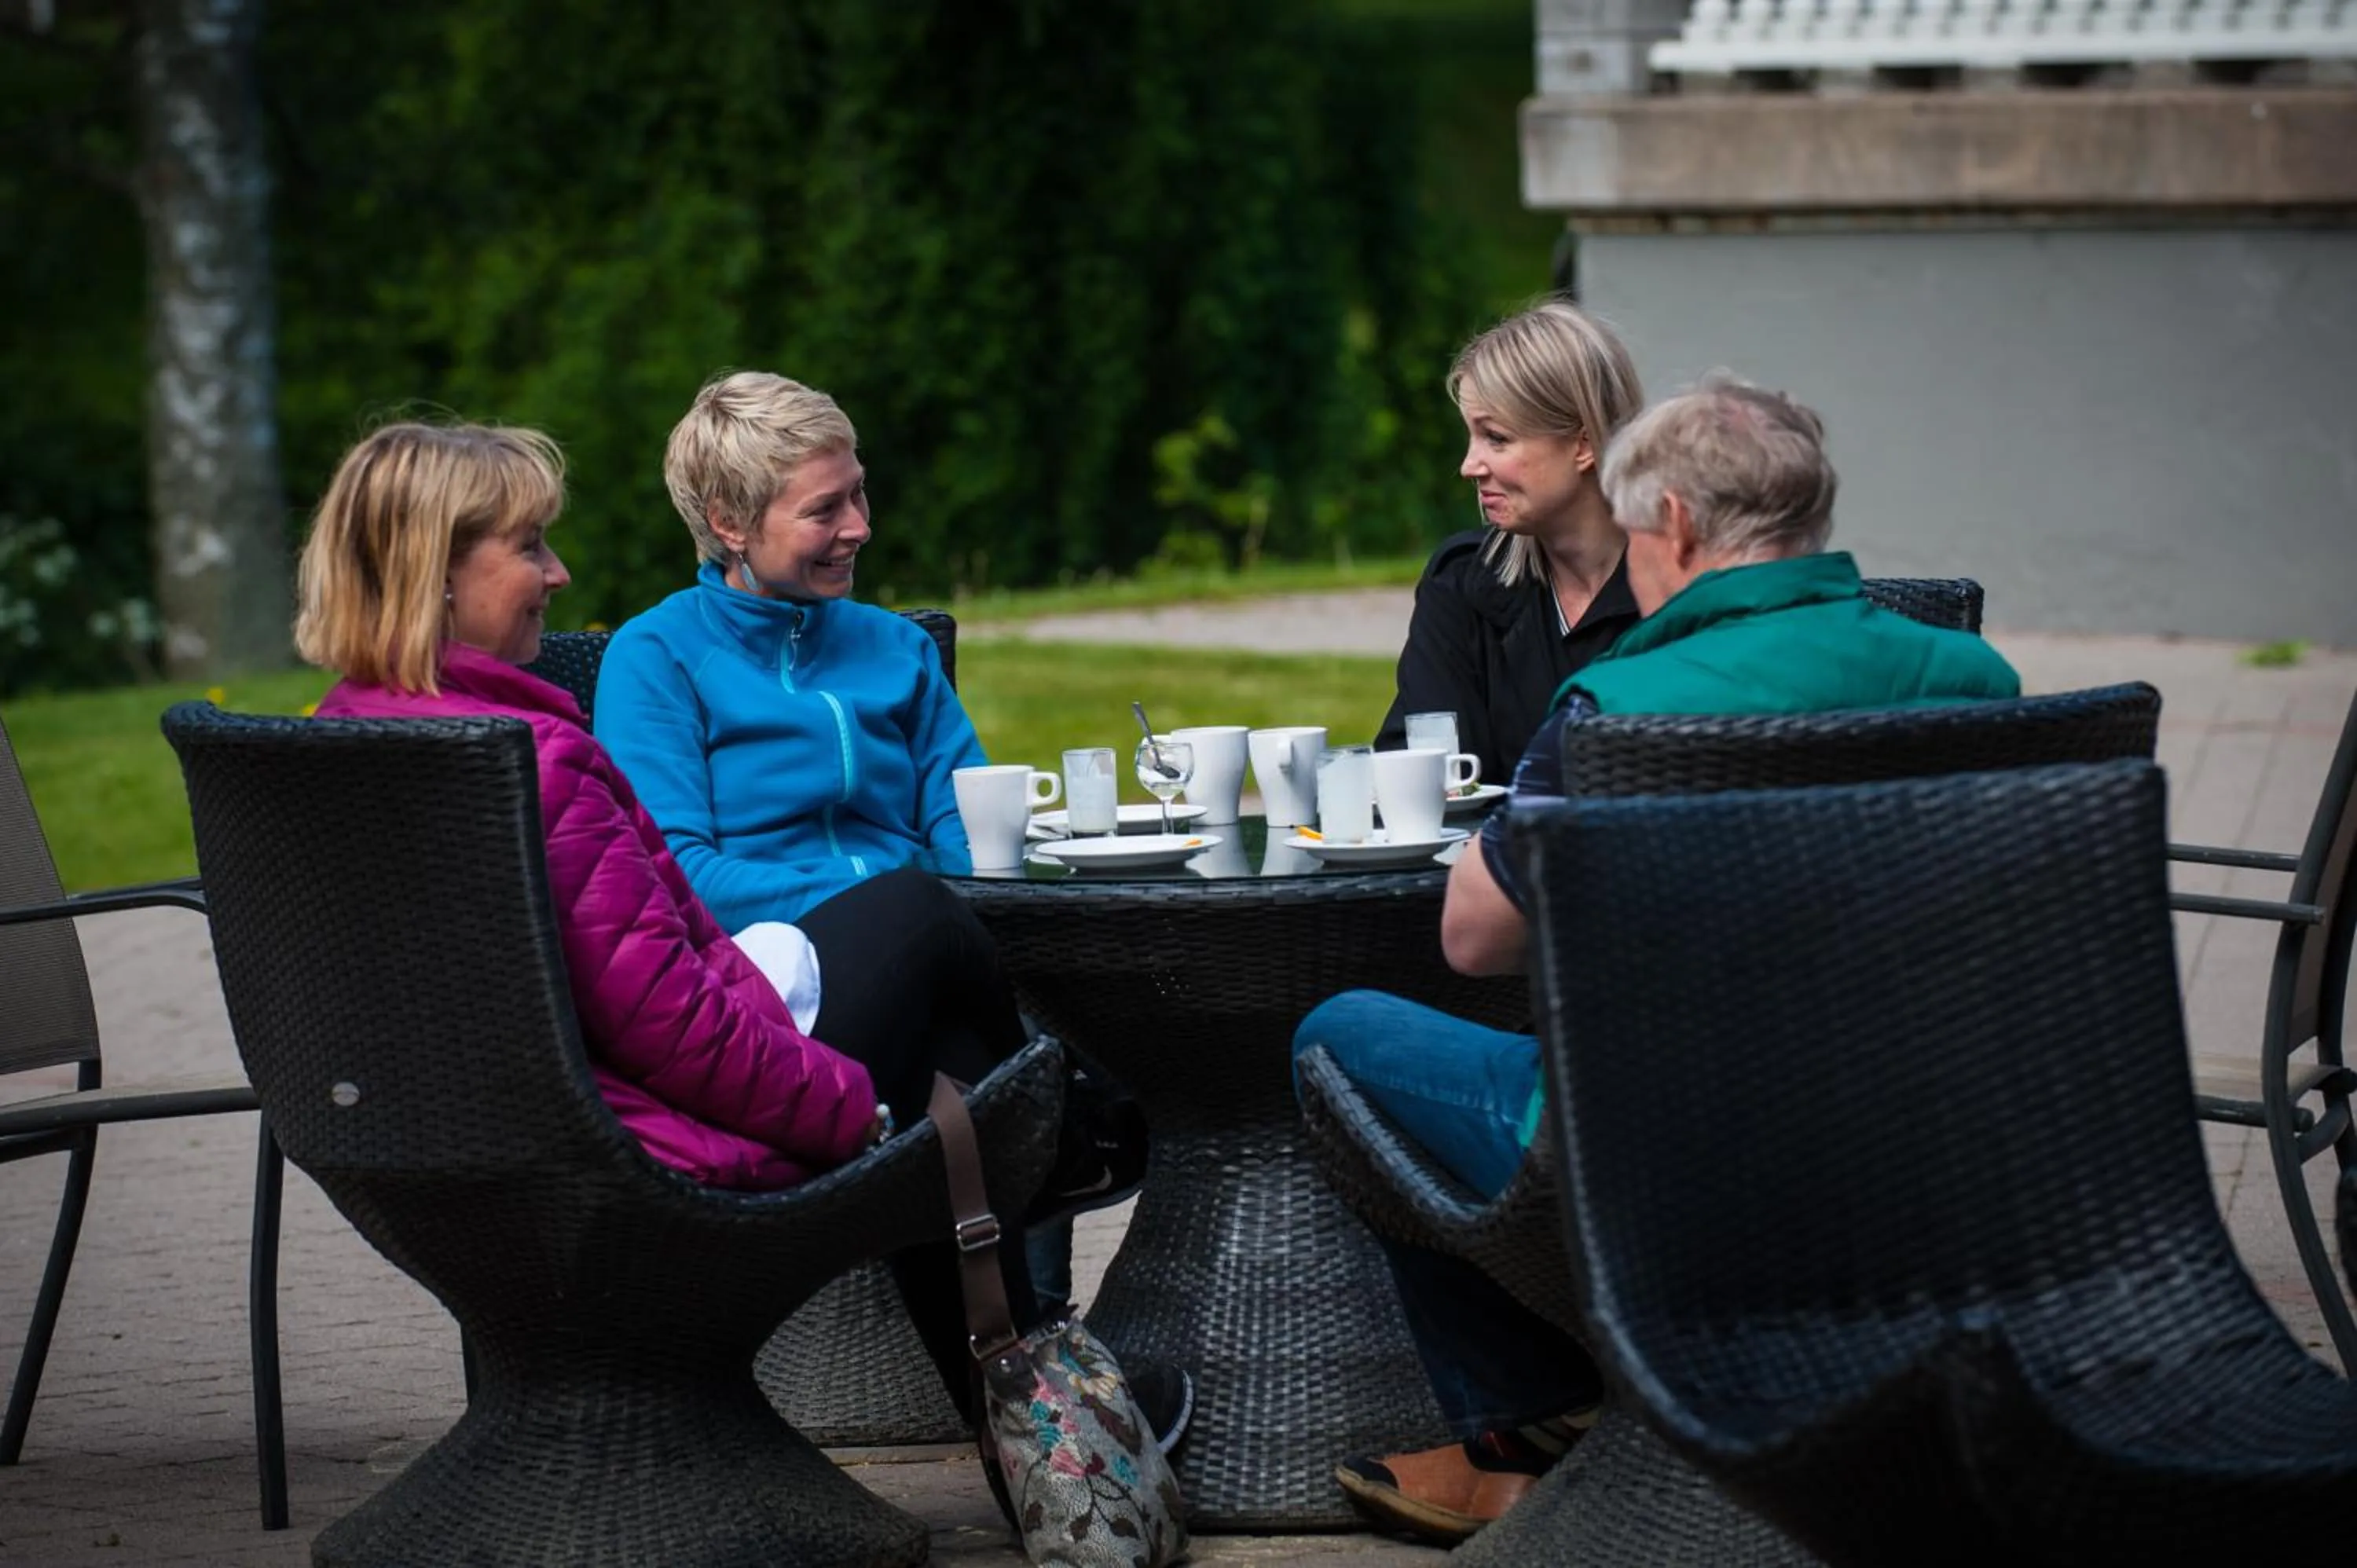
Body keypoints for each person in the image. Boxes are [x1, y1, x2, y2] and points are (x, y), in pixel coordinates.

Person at [292, 419, 1189, 1461]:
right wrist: (852, 1108)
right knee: (922, 963)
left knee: (935, 1003)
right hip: (616, 1150)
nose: (560, 570)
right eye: (531, 546)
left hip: (424, 1135)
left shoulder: (348, 735)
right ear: (434, 575)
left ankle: (1032, 1416)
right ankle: (1056, 1253)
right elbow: (665, 1023)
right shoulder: (533, 759)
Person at [1297, 376, 2021, 1544]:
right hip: (1925, 1139)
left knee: (1336, 1035)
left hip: (1664, 1153)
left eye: (1638, 534)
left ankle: (1524, 1412)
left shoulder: (1621, 707)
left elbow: (1471, 939)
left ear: (1674, 527)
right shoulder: (1974, 682)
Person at [1373, 301, 1647, 785]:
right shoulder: (1464, 582)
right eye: (1472, 437)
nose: (1469, 466)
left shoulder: (1677, 592)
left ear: (1583, 444)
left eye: (1495, 438)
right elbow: (1412, 779)